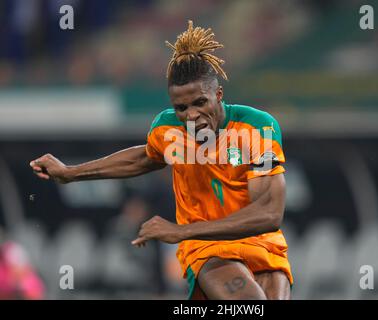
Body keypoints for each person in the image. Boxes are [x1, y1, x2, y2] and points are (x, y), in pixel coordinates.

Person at [30, 20, 293, 300]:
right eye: (181, 107)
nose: (191, 115)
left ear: (218, 95)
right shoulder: (168, 130)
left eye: (200, 103)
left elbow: (269, 214)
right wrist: (69, 173)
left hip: (263, 245)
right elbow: (144, 157)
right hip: (209, 249)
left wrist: (181, 230)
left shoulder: (257, 129)